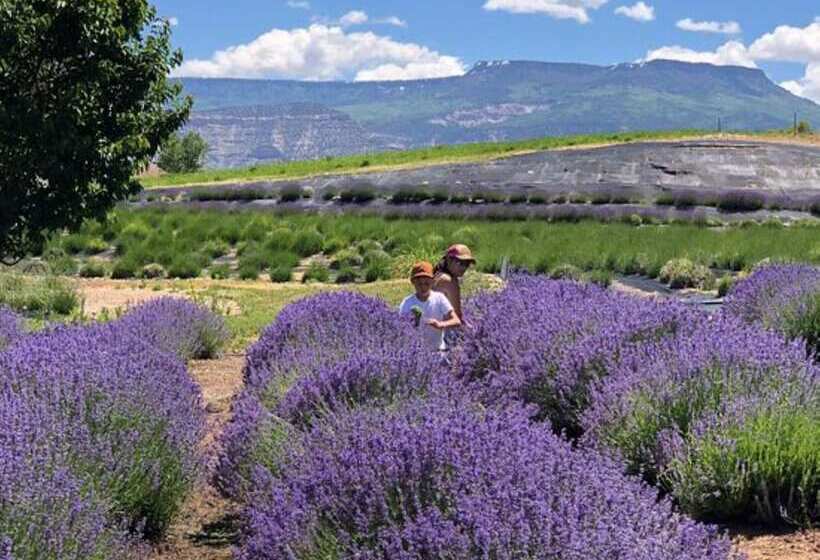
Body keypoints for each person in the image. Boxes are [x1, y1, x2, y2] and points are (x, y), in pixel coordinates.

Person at [399, 261, 461, 352]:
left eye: (426, 283)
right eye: (419, 284)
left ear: (432, 282)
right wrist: (411, 324)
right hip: (415, 353)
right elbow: (399, 327)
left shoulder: (439, 298)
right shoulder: (407, 303)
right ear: (413, 282)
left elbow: (456, 320)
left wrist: (440, 324)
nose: (423, 287)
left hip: (438, 350)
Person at [433, 244, 476, 323]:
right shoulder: (449, 281)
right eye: (460, 263)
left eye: (467, 264)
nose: (464, 268)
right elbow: (457, 315)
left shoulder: (438, 275)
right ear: (449, 260)